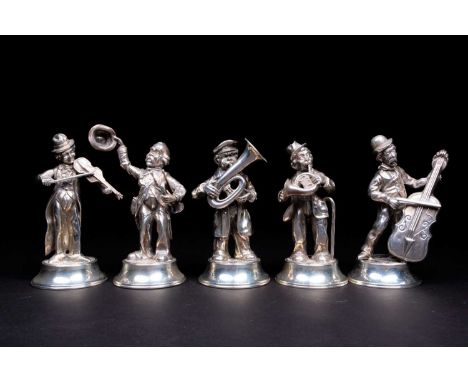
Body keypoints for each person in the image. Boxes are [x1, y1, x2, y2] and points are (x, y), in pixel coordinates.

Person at [39, 133, 122, 263]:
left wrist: (104, 187)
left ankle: (76, 253)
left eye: (72, 152)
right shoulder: (57, 169)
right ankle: (60, 253)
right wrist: (45, 179)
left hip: (73, 200)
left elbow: (95, 177)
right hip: (59, 200)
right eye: (66, 154)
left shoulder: (78, 167)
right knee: (60, 225)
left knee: (75, 225)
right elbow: (42, 176)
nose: (70, 156)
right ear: (59, 156)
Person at [358, 135, 427, 260]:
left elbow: (414, 182)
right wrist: (388, 199)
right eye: (389, 153)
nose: (393, 155)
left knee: (399, 231)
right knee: (379, 227)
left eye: (393, 151)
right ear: (381, 157)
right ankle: (366, 250)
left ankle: (396, 253)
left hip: (401, 207)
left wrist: (428, 179)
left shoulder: (399, 170)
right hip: (386, 207)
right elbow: (372, 192)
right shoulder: (380, 175)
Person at [117, 141, 186, 261]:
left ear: (163, 158)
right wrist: (121, 147)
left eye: (155, 152)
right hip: (144, 205)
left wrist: (174, 197)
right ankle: (145, 251)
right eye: (150, 151)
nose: (149, 154)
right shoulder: (142, 173)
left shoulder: (165, 175)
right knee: (144, 229)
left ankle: (163, 252)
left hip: (161, 206)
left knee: (162, 228)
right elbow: (126, 165)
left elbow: (180, 189)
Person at [192, 140, 257, 261]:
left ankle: (244, 250)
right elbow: (195, 193)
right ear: (218, 160)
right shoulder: (215, 178)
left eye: (234, 156)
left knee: (242, 232)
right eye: (227, 157)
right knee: (221, 233)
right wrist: (205, 188)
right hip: (223, 212)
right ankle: (220, 251)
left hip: (240, 210)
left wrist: (248, 196)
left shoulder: (243, 177)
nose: (231, 159)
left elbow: (253, 192)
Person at [278, 142, 335, 263]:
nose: (308, 157)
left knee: (320, 227)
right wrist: (283, 194)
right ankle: (299, 250)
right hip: (299, 207)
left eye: (309, 154)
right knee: (298, 228)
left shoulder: (317, 174)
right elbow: (284, 194)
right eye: (303, 156)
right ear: (294, 162)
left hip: (317, 206)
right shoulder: (294, 178)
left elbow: (331, 187)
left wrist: (323, 180)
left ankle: (322, 250)